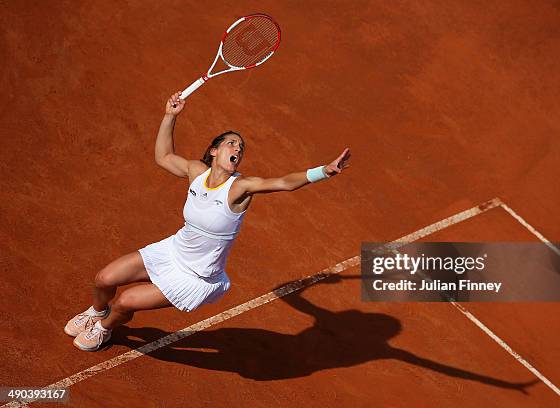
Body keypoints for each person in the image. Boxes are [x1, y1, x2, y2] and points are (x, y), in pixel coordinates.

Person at [65, 92, 351, 351]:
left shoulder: (240, 188)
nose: (237, 149)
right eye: (231, 143)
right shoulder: (196, 172)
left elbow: (284, 183)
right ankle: (96, 313)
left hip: (196, 277)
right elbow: (163, 156)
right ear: (214, 151)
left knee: (125, 303)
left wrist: (323, 172)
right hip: (173, 251)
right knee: (104, 279)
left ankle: (104, 329)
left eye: (240, 147)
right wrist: (170, 116)